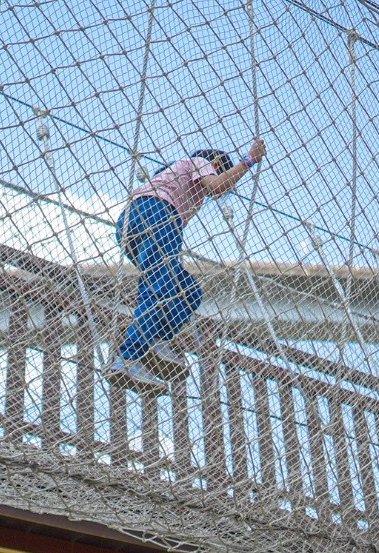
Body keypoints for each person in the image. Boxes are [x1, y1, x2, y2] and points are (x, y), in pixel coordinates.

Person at [110, 138, 267, 389]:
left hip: (130, 223)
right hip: (159, 214)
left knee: (188, 291)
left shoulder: (174, 173)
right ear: (217, 163)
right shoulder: (201, 162)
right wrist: (248, 160)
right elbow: (217, 185)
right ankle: (128, 357)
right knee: (158, 287)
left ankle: (157, 339)